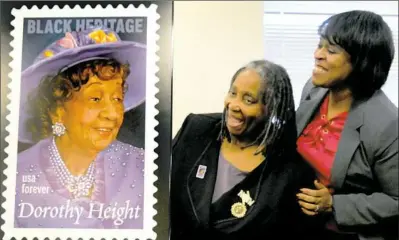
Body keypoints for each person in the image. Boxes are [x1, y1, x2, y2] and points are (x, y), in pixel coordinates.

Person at [15, 27, 147, 229]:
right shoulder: (16, 175)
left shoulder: (141, 166)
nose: (112, 114)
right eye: (95, 98)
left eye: (117, 99)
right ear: (57, 110)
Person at [170, 60, 315, 239]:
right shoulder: (196, 131)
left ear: (270, 110)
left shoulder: (290, 173)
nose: (233, 105)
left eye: (248, 100)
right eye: (233, 93)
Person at [295, 10, 398, 240]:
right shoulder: (313, 90)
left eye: (330, 50)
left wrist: (333, 204)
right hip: (301, 222)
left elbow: (396, 200)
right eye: (319, 45)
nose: (317, 55)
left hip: (348, 232)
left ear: (362, 62)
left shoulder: (388, 125)